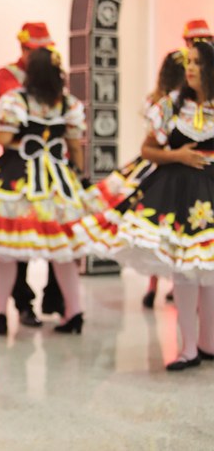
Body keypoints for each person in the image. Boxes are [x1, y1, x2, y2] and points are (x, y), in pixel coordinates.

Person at [74, 41, 214, 371]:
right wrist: (178, 155)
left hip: (209, 190)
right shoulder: (170, 106)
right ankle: (188, 348)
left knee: (208, 272)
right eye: (188, 62)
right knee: (183, 269)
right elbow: (148, 149)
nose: (190, 68)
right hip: (177, 192)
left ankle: (208, 344)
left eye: (197, 63)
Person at [0, 47, 99, 336]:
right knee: (63, 251)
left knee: (6, 252)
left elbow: (4, 138)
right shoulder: (67, 103)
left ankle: (1, 315)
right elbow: (74, 144)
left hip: (18, 176)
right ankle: (74, 313)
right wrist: (78, 175)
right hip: (57, 179)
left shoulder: (17, 100)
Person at [0, 22, 64, 324]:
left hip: (52, 165)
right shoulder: (7, 74)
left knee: (57, 232)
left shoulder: (52, 75)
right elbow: (31, 112)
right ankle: (22, 301)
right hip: (21, 163)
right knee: (17, 236)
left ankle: (55, 296)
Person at [135, 49, 186, 308]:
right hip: (168, 168)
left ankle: (155, 285)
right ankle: (171, 285)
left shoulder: (156, 100)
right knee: (171, 232)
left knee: (160, 230)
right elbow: (151, 143)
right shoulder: (168, 105)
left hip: (161, 170)